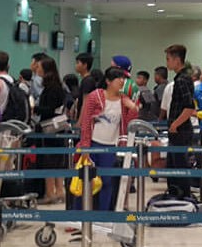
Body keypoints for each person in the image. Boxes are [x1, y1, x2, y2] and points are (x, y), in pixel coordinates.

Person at [78, 66, 139, 211]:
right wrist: (85, 146)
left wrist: (133, 108)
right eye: (119, 78)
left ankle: (104, 213)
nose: (122, 81)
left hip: (111, 146)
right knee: (86, 181)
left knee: (107, 182)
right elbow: (86, 122)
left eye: (123, 78)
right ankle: (81, 215)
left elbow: (130, 123)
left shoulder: (124, 100)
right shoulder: (95, 96)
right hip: (93, 144)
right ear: (108, 81)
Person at [164, 45, 199, 197]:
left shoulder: (182, 79)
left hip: (180, 131)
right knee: (172, 169)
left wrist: (175, 124)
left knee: (179, 169)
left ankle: (183, 199)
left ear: (177, 60)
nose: (167, 63)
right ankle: (176, 197)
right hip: (178, 131)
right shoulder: (181, 78)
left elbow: (189, 107)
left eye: (168, 59)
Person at [33, 57, 68, 205]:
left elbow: (50, 110)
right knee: (57, 161)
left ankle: (50, 193)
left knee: (49, 161)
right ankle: (59, 191)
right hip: (57, 130)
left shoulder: (52, 88)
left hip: (51, 129)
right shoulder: (57, 86)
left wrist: (34, 108)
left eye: (40, 67)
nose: (37, 69)